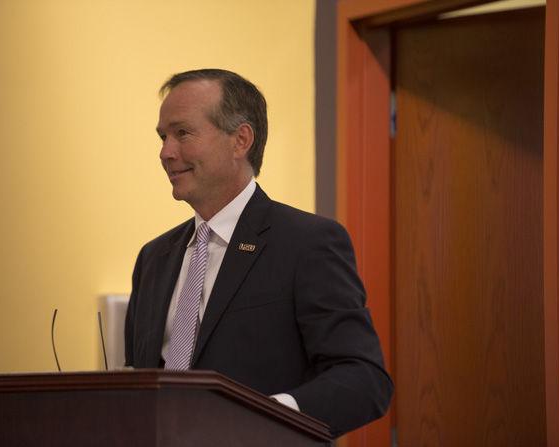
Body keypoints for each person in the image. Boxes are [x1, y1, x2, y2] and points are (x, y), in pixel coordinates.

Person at [125, 68, 392, 437]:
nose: (166, 153)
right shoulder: (153, 258)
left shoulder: (307, 243)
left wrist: (270, 415)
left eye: (182, 133)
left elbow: (364, 380)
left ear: (241, 140)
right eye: (163, 137)